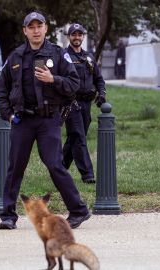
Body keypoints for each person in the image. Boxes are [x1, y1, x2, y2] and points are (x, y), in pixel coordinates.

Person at [0, 12, 91, 230]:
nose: (36, 30)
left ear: (46, 29)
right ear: (25, 31)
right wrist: (8, 114)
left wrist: (53, 79)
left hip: (48, 120)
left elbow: (73, 84)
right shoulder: (16, 57)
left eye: (40, 26)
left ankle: (78, 210)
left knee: (55, 164)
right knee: (15, 167)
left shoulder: (58, 54)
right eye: (32, 27)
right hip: (22, 120)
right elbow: (2, 90)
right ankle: (8, 216)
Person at [62, 23, 107, 184]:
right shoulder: (64, 57)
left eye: (80, 34)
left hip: (86, 103)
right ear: (69, 36)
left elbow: (99, 79)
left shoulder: (89, 57)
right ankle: (88, 174)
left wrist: (102, 93)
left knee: (74, 137)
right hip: (71, 103)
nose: (77, 37)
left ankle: (60, 167)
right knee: (79, 137)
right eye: (74, 34)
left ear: (83, 37)